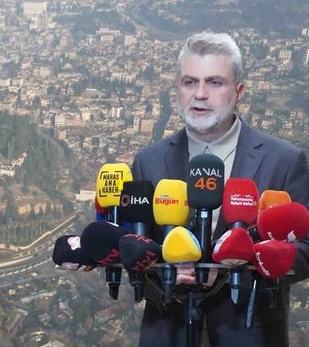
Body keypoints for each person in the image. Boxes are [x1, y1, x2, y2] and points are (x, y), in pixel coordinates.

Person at [131, 32, 309, 347]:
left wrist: (237, 267)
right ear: (177, 90)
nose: (200, 94)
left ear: (238, 92)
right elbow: (130, 246)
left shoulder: (283, 161)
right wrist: (163, 268)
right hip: (166, 334)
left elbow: (306, 250)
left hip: (251, 334)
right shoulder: (149, 162)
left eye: (214, 83)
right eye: (189, 82)